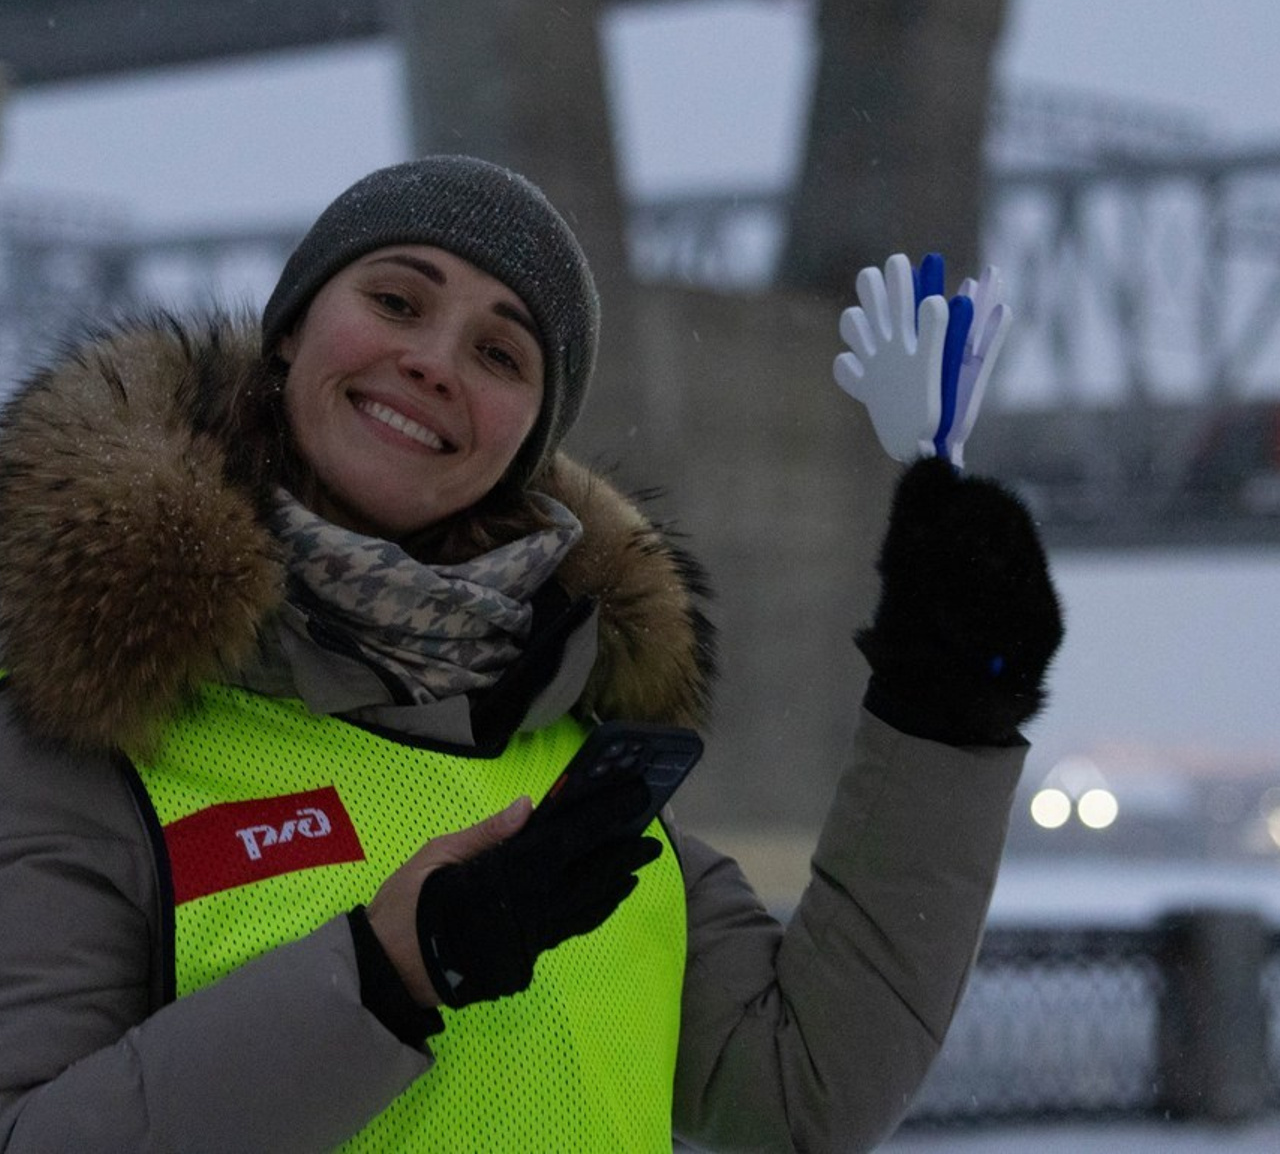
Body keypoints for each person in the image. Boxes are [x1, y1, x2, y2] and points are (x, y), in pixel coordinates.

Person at [0, 155, 1063, 1152]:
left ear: (528, 435)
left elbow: (798, 1089)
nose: (432, 360)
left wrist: (941, 712)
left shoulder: (565, 758)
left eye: (500, 352)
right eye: (396, 301)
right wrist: (388, 973)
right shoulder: (87, 727)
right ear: (289, 333)